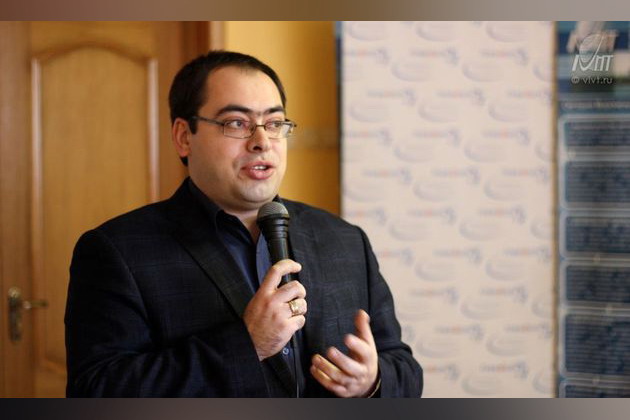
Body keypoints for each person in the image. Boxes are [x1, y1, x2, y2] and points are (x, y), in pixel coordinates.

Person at [65, 50, 422, 397]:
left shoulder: (344, 239)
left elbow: (404, 368)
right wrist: (246, 345)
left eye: (275, 123)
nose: (261, 142)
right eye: (237, 123)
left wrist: (371, 382)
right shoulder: (117, 251)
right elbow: (96, 390)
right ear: (184, 136)